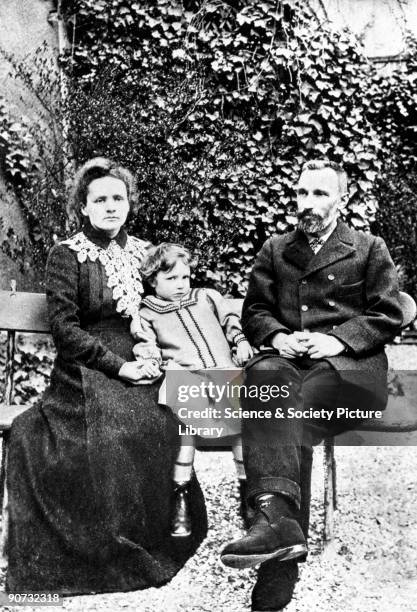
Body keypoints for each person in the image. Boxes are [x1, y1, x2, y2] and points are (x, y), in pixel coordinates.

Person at [6, 158, 207, 595]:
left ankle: (153, 535)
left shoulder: (146, 253)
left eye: (119, 198)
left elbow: (169, 307)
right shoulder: (67, 255)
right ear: (83, 206)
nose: (111, 206)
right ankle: (94, 553)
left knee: (157, 418)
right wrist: (119, 366)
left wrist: (153, 354)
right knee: (102, 432)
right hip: (86, 366)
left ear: (129, 203)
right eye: (100, 199)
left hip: (143, 357)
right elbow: (65, 328)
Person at [220, 159, 403, 611]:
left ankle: (276, 544)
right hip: (288, 362)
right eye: (302, 194)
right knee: (265, 380)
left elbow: (389, 313)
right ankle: (281, 529)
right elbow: (256, 312)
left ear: (343, 199)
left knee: (287, 409)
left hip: (348, 370)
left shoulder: (368, 248)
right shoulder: (276, 249)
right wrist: (279, 337)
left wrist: (333, 338)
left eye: (320, 194)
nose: (309, 204)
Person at [130, 243, 253, 536]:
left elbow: (230, 319)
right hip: (186, 380)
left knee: (239, 423)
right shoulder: (148, 313)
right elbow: (146, 346)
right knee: (185, 424)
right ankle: (180, 495)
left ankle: (248, 489)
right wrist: (149, 361)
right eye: (171, 279)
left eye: (185, 277)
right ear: (152, 281)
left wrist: (240, 341)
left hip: (224, 374)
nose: (181, 285)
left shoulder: (205, 297)